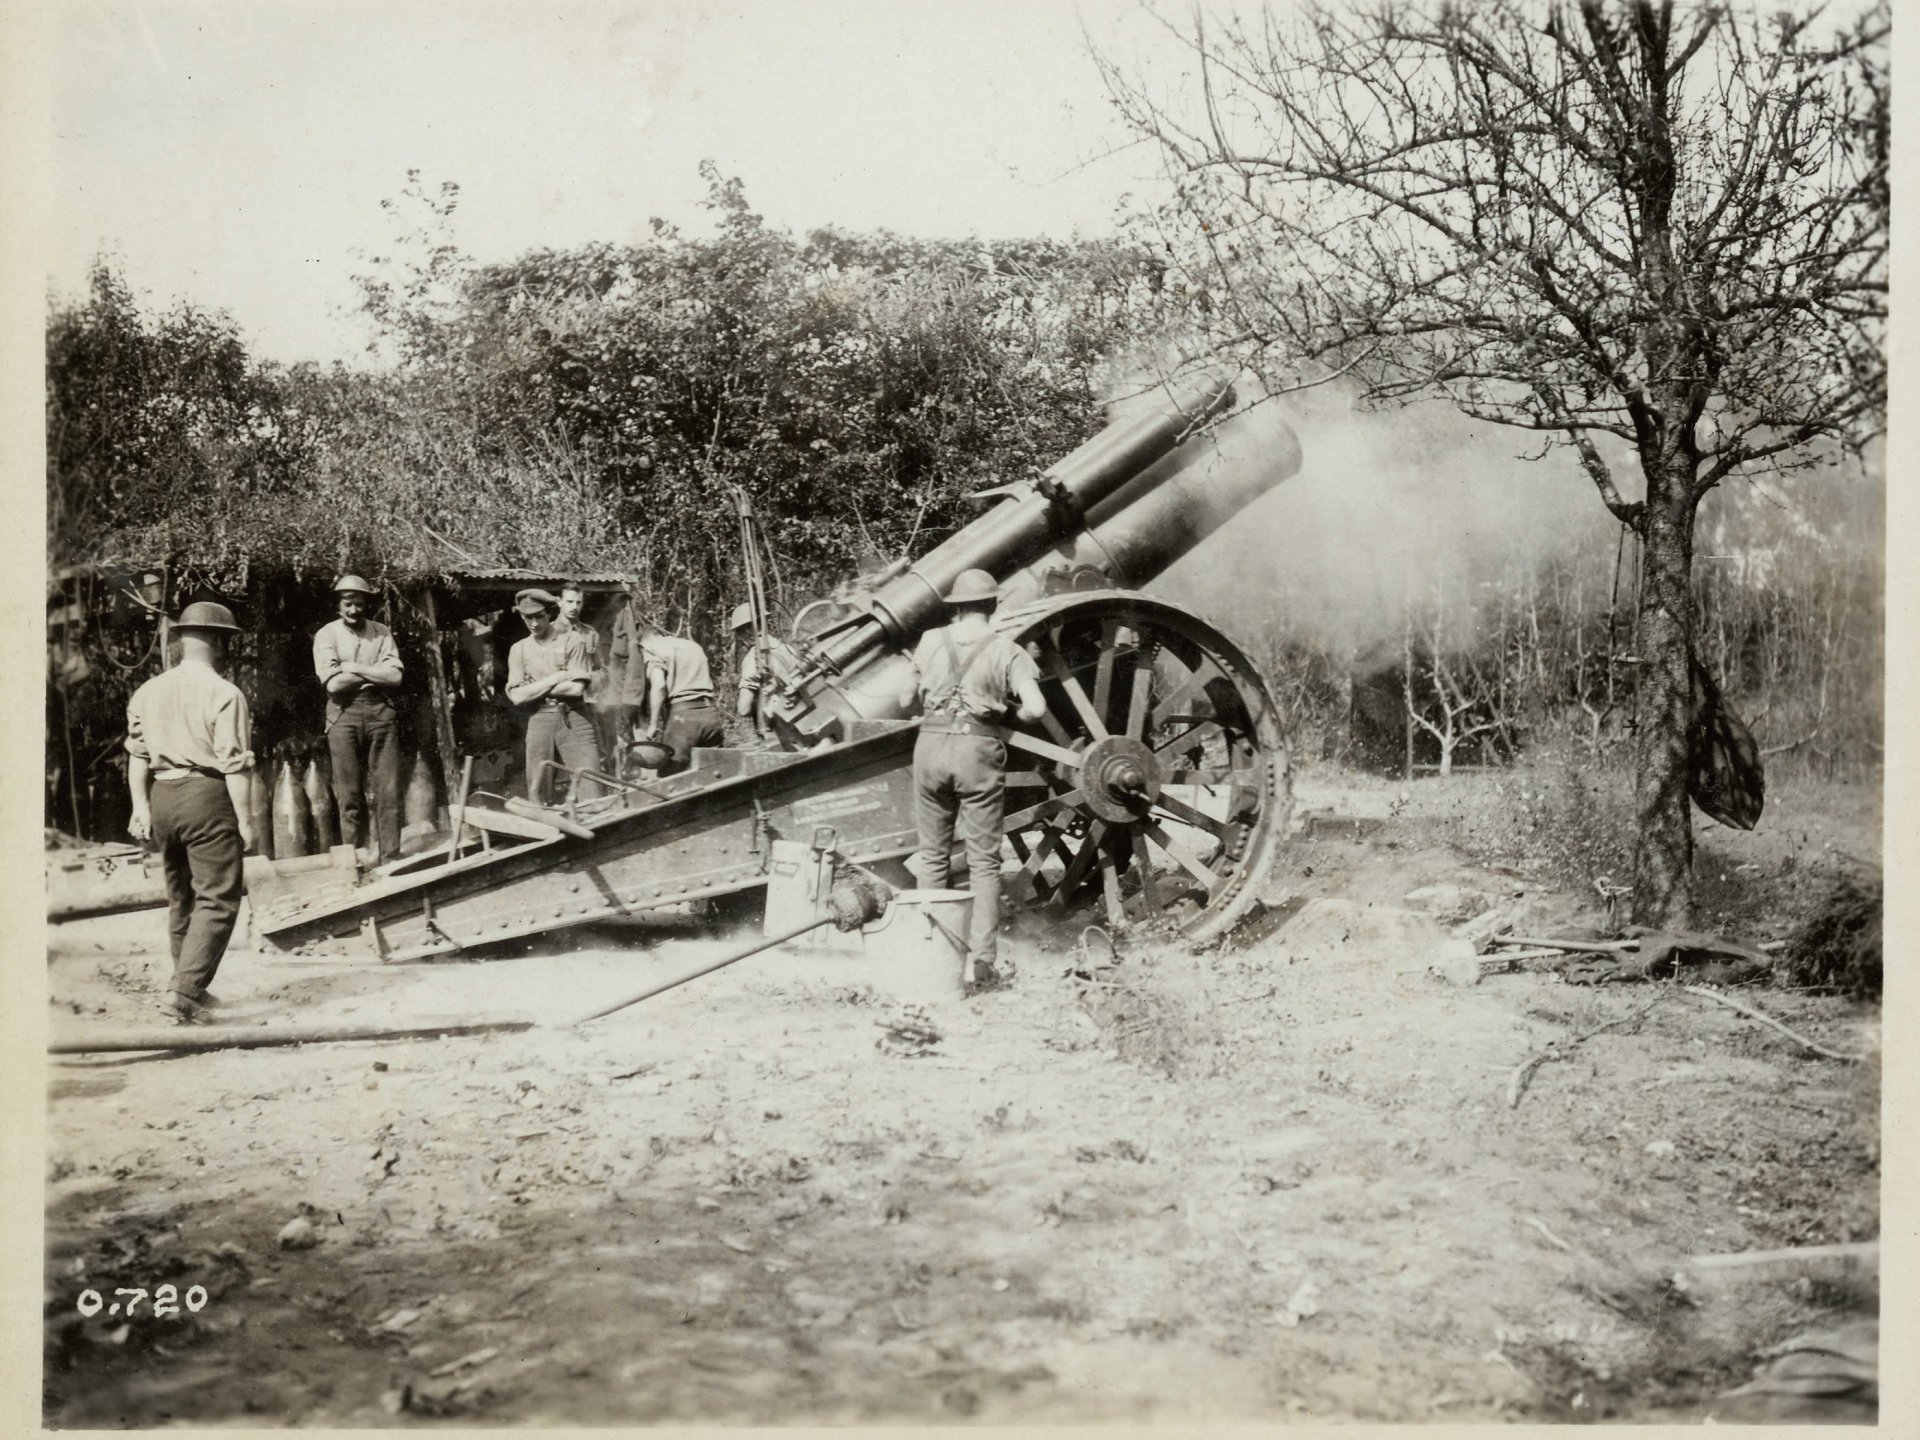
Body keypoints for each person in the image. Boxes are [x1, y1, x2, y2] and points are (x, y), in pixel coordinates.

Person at [897, 568, 1046, 989]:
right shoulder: (1006, 650)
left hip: (929, 748)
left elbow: (906, 698)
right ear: (993, 605)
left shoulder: (929, 642)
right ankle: (981, 965)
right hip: (977, 751)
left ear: (957, 607)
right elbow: (1036, 708)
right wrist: (1009, 712)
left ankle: (931, 957)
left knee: (932, 857)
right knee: (983, 863)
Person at [125, 601, 257, 1023]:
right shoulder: (225, 693)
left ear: (181, 641)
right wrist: (247, 821)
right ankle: (183, 992)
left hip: (163, 796)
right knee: (218, 897)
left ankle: (190, 987)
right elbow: (234, 765)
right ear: (218, 642)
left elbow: (137, 756)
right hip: (206, 796)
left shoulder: (147, 691)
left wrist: (140, 807)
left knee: (181, 897)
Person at [313, 574, 405, 863]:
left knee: (388, 791)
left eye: (359, 603)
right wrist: (372, 672)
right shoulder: (326, 635)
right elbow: (333, 685)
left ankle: (390, 857)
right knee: (349, 795)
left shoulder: (382, 632)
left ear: (367, 604)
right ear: (338, 605)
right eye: (348, 603)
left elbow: (395, 677)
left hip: (381, 710)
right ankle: (354, 861)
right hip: (343, 713)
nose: (354, 610)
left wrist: (351, 667)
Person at [505, 589, 603, 804]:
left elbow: (576, 690)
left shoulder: (573, 641)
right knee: (539, 791)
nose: (533, 623)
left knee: (591, 784)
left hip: (574, 717)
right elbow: (517, 697)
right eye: (527, 617)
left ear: (549, 613)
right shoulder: (518, 650)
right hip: (539, 720)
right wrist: (556, 678)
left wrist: (533, 688)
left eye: (539, 616)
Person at [632, 618, 724, 777]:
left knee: (669, 779)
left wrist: (653, 724)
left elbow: (659, 685)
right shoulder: (692, 645)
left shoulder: (651, 648)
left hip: (684, 720)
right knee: (715, 775)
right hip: (711, 716)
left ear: (642, 643)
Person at [554, 580, 610, 777]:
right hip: (554, 704)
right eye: (569, 602)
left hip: (584, 704)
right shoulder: (548, 633)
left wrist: (589, 683)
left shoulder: (590, 633)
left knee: (595, 755)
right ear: (559, 602)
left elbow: (601, 670)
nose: (574, 607)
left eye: (578, 602)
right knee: (554, 760)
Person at [730, 601, 802, 743]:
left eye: (739, 632)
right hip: (801, 723)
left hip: (776, 733)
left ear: (747, 630)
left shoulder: (753, 658)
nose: (740, 638)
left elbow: (743, 709)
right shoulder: (788, 649)